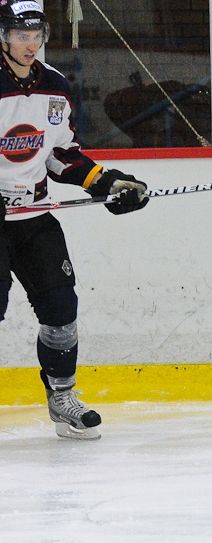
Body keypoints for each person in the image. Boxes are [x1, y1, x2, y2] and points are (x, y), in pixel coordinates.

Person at [0, 0, 149, 440]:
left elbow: (61, 156)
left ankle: (61, 396)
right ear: (3, 36)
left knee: (62, 310)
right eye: (21, 36)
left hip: (35, 216)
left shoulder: (57, 87)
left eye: (36, 36)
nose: (30, 44)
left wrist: (106, 183)